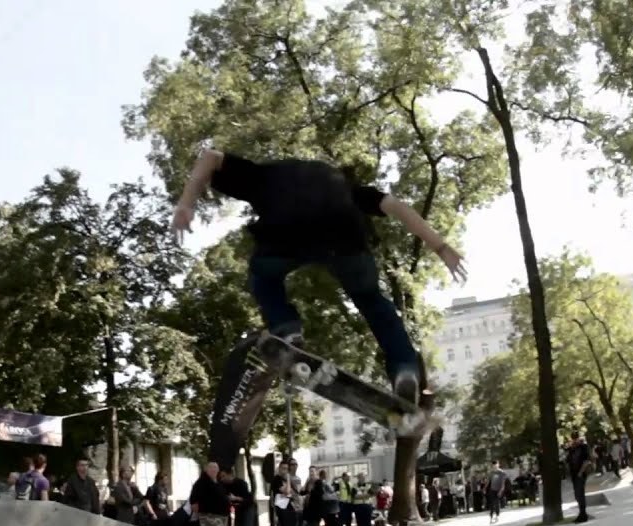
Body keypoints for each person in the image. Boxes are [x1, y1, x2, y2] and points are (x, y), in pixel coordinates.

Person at [170, 148, 466, 402]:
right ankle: (405, 371)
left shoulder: (262, 175)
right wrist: (441, 247)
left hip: (284, 233)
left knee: (264, 277)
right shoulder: (348, 188)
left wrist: (186, 203)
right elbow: (398, 208)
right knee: (374, 303)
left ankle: (288, 330)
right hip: (345, 237)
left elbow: (209, 157)